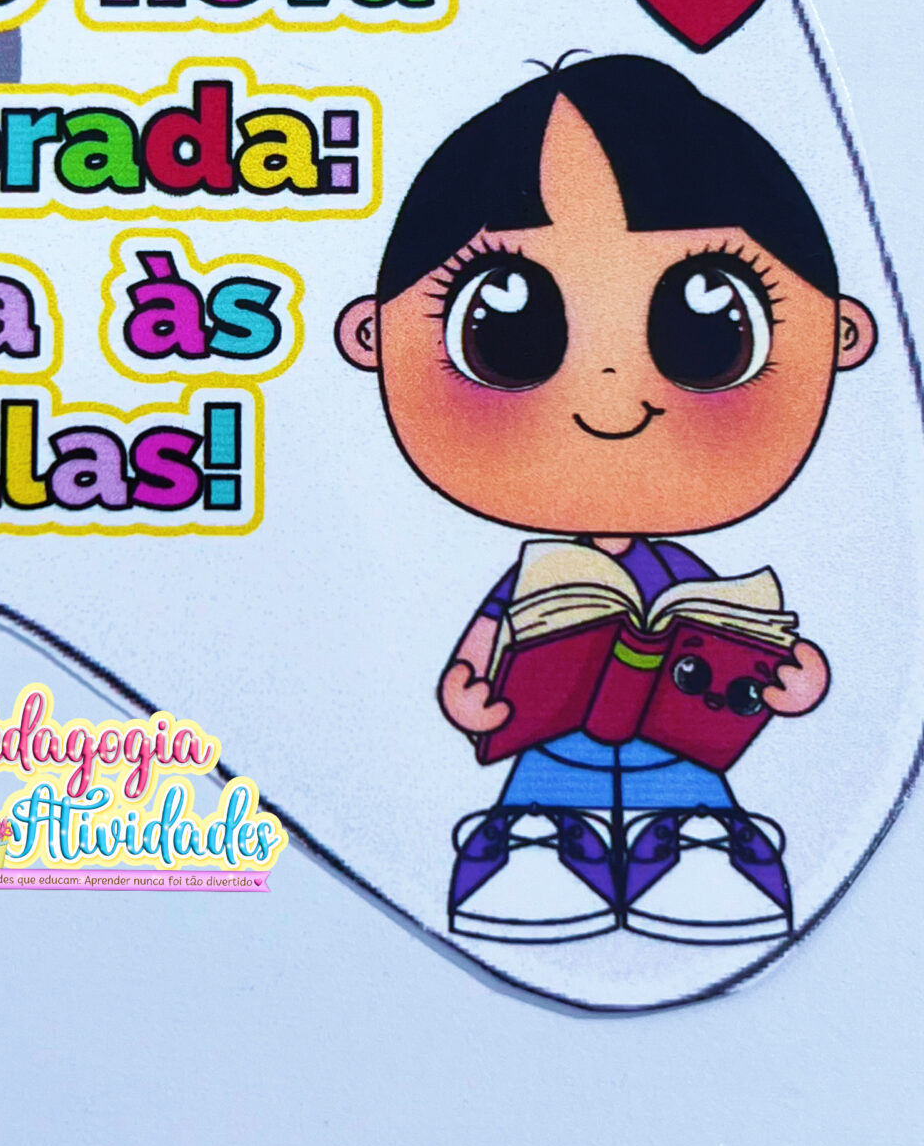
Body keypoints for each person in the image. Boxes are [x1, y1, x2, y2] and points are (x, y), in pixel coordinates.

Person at [334, 54, 877, 947]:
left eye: (710, 333)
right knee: (544, 790)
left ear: (841, 334)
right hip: (551, 742)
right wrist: (468, 691)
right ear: (372, 336)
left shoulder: (686, 578)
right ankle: (537, 850)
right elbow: (486, 643)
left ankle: (697, 850)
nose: (613, 404)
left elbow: (755, 643)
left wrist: (797, 677)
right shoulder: (538, 578)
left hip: (681, 744)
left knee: (690, 785)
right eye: (507, 333)